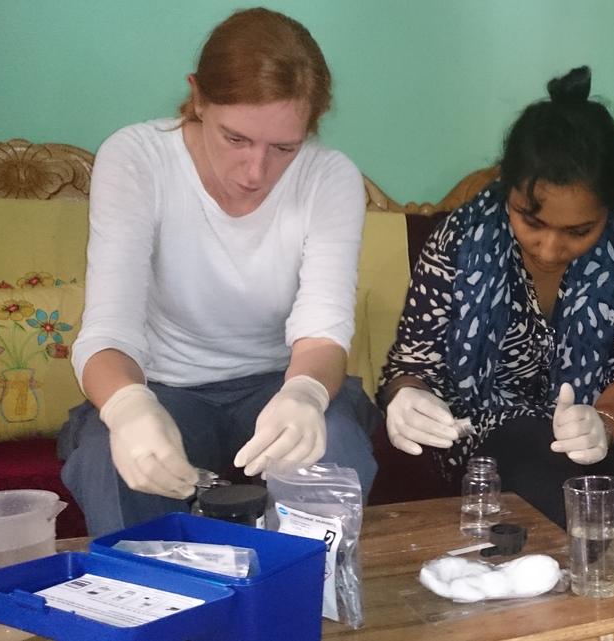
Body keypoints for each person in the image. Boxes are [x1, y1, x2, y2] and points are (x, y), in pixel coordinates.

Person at [379, 66, 614, 640]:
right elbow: (411, 359)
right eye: (530, 220)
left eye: (579, 231)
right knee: (539, 464)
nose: (550, 246)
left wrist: (605, 423)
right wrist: (406, 396)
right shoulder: (459, 235)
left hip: (599, 417)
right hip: (491, 426)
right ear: (507, 189)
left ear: (609, 211)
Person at [59, 7, 378, 536]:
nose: (256, 173)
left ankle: (300, 602)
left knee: (334, 451)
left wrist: (305, 395)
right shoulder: (138, 158)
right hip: (167, 387)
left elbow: (322, 329)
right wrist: (128, 406)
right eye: (236, 139)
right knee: (108, 461)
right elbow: (109, 328)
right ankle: (155, 608)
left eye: (284, 148)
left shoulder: (330, 178)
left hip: (278, 385)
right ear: (198, 98)